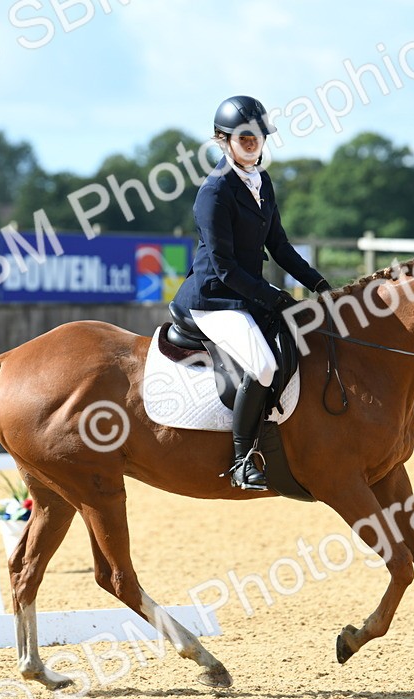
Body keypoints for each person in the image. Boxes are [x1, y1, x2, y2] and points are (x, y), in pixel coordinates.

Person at [172, 95, 332, 491]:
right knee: (262, 366)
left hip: (244, 295)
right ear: (222, 140)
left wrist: (318, 283)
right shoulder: (214, 192)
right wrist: (275, 298)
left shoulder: (262, 182)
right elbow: (225, 268)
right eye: (245, 138)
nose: (253, 144)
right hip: (213, 298)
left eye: (259, 137)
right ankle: (243, 459)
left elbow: (279, 246)